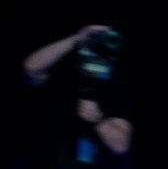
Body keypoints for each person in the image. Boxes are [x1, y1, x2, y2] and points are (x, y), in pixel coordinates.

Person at [19, 25, 133, 166]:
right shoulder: (61, 76)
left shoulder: (116, 91)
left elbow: (120, 146)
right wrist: (77, 38)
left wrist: (98, 120)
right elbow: (31, 68)